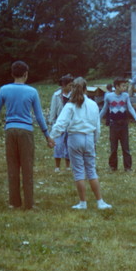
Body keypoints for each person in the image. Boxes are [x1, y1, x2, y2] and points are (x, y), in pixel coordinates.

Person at [0, 61, 53, 210]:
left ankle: (14, 202)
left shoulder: (4, 90)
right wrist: (47, 135)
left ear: (12, 74)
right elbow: (39, 116)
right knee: (27, 167)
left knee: (13, 166)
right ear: (26, 74)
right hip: (26, 132)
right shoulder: (32, 92)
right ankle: (29, 203)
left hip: (10, 130)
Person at [50, 77, 111, 210]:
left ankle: (83, 203)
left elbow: (60, 124)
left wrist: (51, 137)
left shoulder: (70, 105)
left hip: (75, 138)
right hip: (89, 137)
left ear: (72, 88)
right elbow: (97, 127)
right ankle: (100, 201)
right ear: (86, 88)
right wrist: (94, 141)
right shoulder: (93, 104)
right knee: (91, 170)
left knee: (78, 171)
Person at [99, 78, 136, 172]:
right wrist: (97, 120)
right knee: (113, 147)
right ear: (116, 86)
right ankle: (113, 166)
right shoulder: (109, 97)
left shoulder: (125, 96)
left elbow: (130, 108)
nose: (125, 87)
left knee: (125, 147)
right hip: (113, 125)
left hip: (123, 124)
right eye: (123, 86)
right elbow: (104, 110)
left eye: (125, 85)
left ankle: (128, 167)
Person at [49, 74, 73, 173]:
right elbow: (53, 110)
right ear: (63, 85)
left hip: (70, 124)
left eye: (72, 85)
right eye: (69, 85)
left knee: (69, 145)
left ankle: (68, 166)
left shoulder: (73, 95)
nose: (71, 87)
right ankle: (57, 166)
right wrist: (51, 123)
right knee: (58, 145)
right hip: (59, 123)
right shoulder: (56, 95)